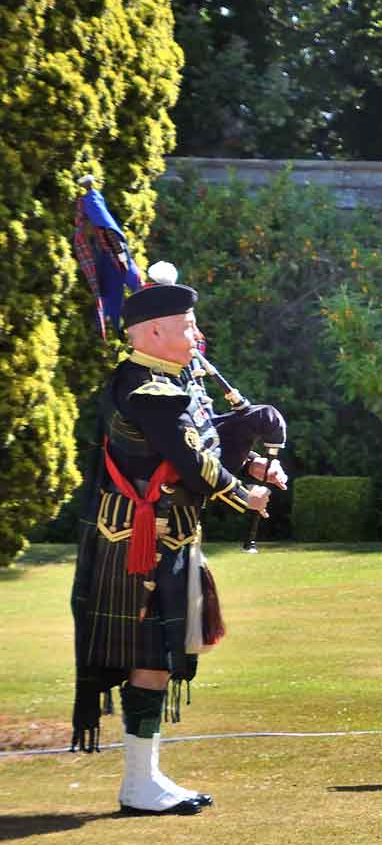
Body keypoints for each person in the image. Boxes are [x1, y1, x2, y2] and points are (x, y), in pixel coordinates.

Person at [69, 275, 278, 814]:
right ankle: (140, 785)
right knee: (152, 657)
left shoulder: (167, 379)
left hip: (170, 536)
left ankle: (146, 779)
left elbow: (197, 442)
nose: (196, 335)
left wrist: (249, 455)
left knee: (160, 657)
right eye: (187, 326)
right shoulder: (149, 390)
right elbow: (190, 460)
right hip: (142, 544)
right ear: (155, 330)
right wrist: (244, 496)